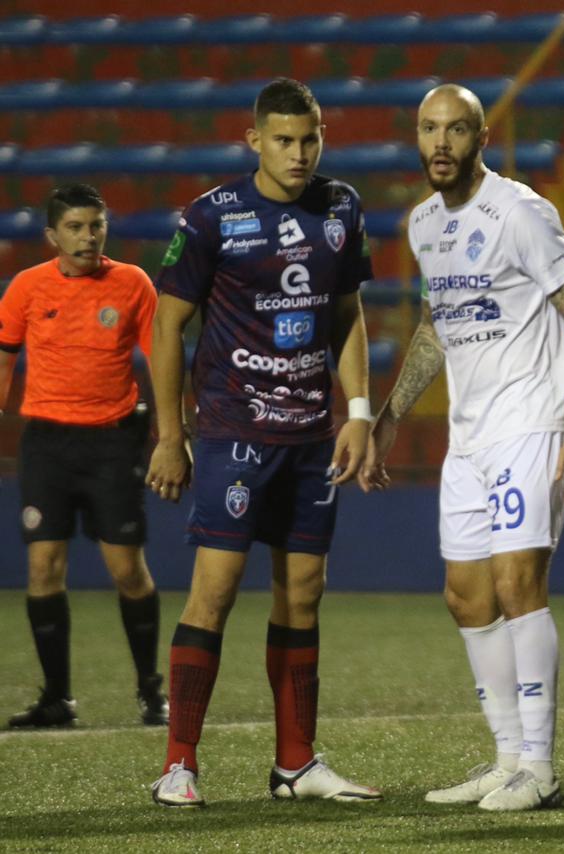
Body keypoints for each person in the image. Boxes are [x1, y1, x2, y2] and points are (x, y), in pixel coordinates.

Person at [360, 83, 564, 812]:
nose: (440, 143)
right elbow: (440, 323)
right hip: (468, 434)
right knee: (465, 597)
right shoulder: (424, 223)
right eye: (428, 129)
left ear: (482, 137)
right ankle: (505, 758)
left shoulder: (522, 213)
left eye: (455, 130)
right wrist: (390, 412)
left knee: (515, 584)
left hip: (532, 420)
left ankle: (539, 764)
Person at [147, 78, 381, 807]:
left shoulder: (341, 207)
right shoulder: (213, 216)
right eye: (284, 140)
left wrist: (360, 411)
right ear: (255, 141)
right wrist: (169, 435)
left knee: (303, 594)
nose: (299, 153)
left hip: (312, 435)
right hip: (233, 430)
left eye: (310, 138)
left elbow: (347, 314)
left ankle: (296, 764)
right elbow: (166, 326)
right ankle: (179, 764)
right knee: (213, 592)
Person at [0, 183, 167, 729]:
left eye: (95, 225)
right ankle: (57, 698)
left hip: (112, 442)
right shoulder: (26, 288)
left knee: (127, 569)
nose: (88, 236)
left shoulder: (132, 284)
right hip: (46, 442)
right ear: (52, 236)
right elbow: (4, 360)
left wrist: (172, 432)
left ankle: (150, 690)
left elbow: (160, 357)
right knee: (43, 567)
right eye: (75, 227)